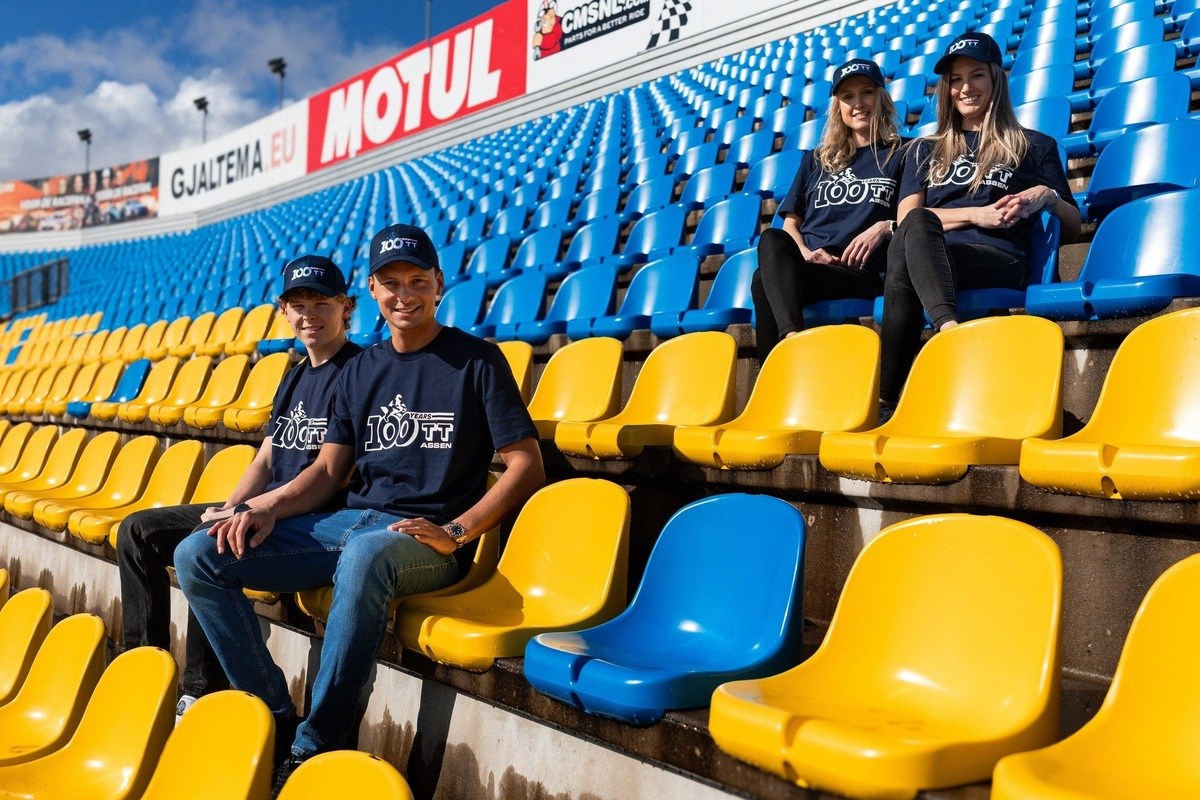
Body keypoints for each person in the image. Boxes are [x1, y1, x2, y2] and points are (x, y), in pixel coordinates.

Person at [174, 223, 545, 793]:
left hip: (425, 538)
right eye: (391, 282)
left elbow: (525, 462)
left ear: (439, 284)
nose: (405, 295)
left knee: (368, 553)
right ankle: (274, 715)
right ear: (371, 289)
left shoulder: (477, 360)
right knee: (200, 552)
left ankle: (317, 746)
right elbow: (326, 471)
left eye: (418, 281)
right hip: (350, 523)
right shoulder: (362, 368)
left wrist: (457, 529)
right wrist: (264, 508)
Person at [116, 254, 362, 717]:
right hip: (262, 503)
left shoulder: (359, 369)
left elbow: (334, 473)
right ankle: (141, 667)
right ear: (283, 311)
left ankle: (199, 688)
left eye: (321, 302)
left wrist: (246, 512)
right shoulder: (293, 375)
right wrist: (231, 505)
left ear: (345, 306)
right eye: (298, 303)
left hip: (308, 513)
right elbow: (267, 456)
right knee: (137, 532)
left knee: (209, 544)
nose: (309, 313)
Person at [879, 31, 1081, 411]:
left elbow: (1071, 227)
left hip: (999, 257)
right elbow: (907, 219)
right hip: (931, 253)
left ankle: (888, 399)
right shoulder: (924, 149)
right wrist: (976, 214)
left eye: (976, 76)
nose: (964, 88)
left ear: (995, 80)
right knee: (916, 231)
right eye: (955, 80)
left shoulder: (1033, 144)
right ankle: (950, 335)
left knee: (904, 262)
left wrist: (1046, 196)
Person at [751, 58, 904, 362]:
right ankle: (792, 340)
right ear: (838, 107)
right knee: (771, 240)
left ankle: (778, 371)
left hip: (858, 271)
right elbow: (790, 226)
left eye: (867, 93)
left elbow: (912, 214)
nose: (858, 103)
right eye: (848, 97)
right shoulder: (817, 159)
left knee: (761, 280)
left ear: (881, 98)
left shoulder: (903, 151)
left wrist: (884, 225)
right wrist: (807, 253)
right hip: (811, 264)